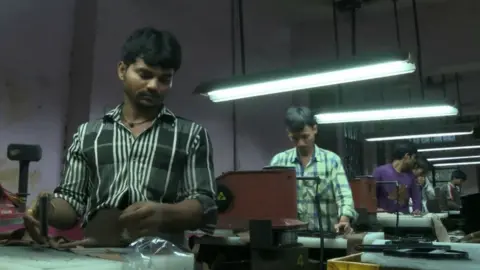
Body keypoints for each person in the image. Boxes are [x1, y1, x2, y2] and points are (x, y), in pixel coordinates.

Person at [23, 27, 217, 247]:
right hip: (98, 254)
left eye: (165, 79)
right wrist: (47, 211)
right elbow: (72, 200)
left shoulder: (190, 135)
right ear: (122, 70)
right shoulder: (88, 134)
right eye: (144, 74)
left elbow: (205, 204)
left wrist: (165, 213)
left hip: (162, 258)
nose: (154, 86)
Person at [269, 106, 357, 234]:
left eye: (305, 137)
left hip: (326, 239)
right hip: (290, 239)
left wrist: (344, 219)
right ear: (288, 133)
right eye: (294, 138)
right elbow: (270, 199)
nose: (300, 143)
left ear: (314, 129)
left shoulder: (331, 161)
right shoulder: (278, 162)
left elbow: (344, 196)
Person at [373, 142, 421, 215]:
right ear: (407, 156)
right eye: (414, 157)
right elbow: (370, 196)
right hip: (383, 220)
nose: (414, 161)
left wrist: (417, 210)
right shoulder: (380, 172)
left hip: (404, 220)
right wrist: (375, 208)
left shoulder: (410, 176)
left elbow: (416, 198)